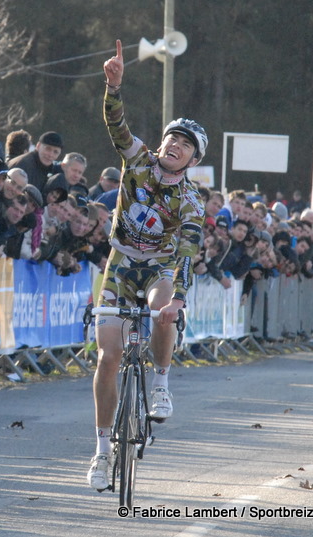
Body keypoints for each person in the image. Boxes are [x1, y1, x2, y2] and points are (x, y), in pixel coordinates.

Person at [87, 40, 206, 492]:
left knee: (163, 308)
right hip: (120, 262)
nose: (176, 144)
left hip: (158, 266)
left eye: (186, 144)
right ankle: (101, 452)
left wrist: (178, 298)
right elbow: (116, 126)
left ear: (194, 160)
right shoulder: (136, 159)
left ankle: (160, 382)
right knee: (108, 354)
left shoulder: (191, 200)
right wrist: (113, 87)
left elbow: (188, 249)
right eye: (172, 136)